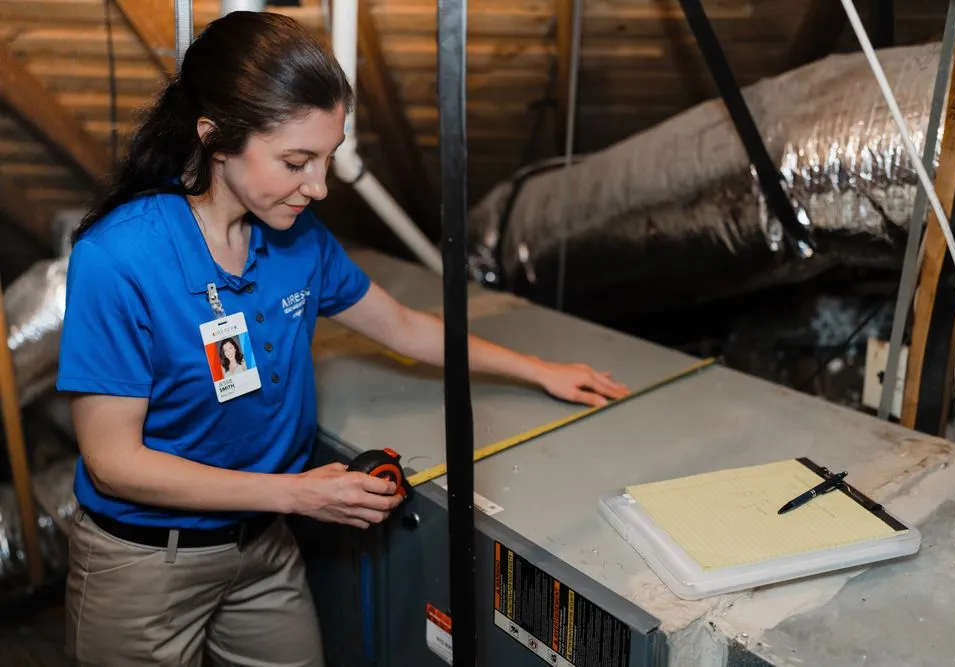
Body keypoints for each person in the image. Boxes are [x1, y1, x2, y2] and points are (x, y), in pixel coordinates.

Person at [55, 11, 629, 667]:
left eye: (328, 157)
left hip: (261, 543)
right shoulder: (119, 257)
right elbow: (114, 462)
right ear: (215, 139)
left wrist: (538, 369)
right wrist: (296, 493)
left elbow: (406, 328)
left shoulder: (297, 240)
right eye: (296, 161)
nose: (320, 186)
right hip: (146, 560)